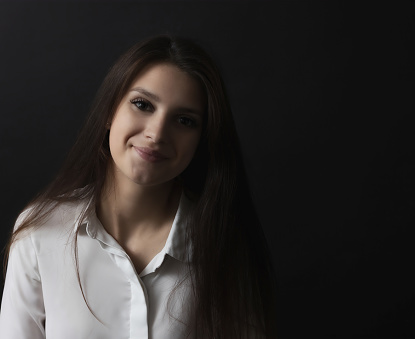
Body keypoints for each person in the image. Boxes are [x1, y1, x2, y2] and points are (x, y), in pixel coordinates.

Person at [0, 35, 276, 339]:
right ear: (109, 112)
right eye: (142, 104)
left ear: (202, 140)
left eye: (184, 121)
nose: (157, 134)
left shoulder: (222, 240)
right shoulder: (40, 232)